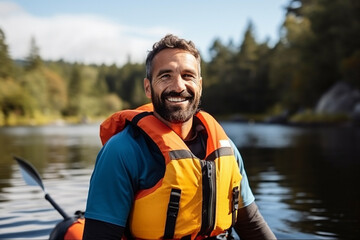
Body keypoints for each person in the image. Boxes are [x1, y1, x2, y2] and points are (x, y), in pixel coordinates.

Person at [83, 34, 276, 240]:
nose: (178, 86)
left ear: (200, 85)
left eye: (188, 75)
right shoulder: (121, 152)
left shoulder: (227, 149)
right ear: (148, 87)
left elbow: (252, 224)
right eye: (165, 76)